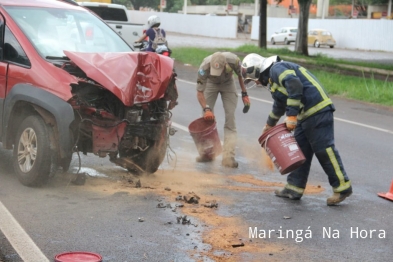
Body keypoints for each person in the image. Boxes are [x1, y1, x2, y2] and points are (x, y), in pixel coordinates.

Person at [241, 53, 352, 206]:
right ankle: (294, 188)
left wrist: (291, 116)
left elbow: (295, 84)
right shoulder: (273, 80)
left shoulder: (277, 69)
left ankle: (342, 187)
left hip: (317, 110)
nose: (257, 83)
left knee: (324, 150)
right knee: (299, 151)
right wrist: (269, 125)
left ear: (256, 70)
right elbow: (279, 105)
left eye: (252, 79)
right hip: (305, 115)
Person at [196, 52, 250, 168]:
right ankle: (207, 153)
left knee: (230, 117)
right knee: (206, 118)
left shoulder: (233, 60)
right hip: (211, 84)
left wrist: (244, 93)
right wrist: (207, 109)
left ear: (225, 64)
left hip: (228, 83)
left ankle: (228, 157)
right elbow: (200, 92)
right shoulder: (204, 67)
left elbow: (241, 75)